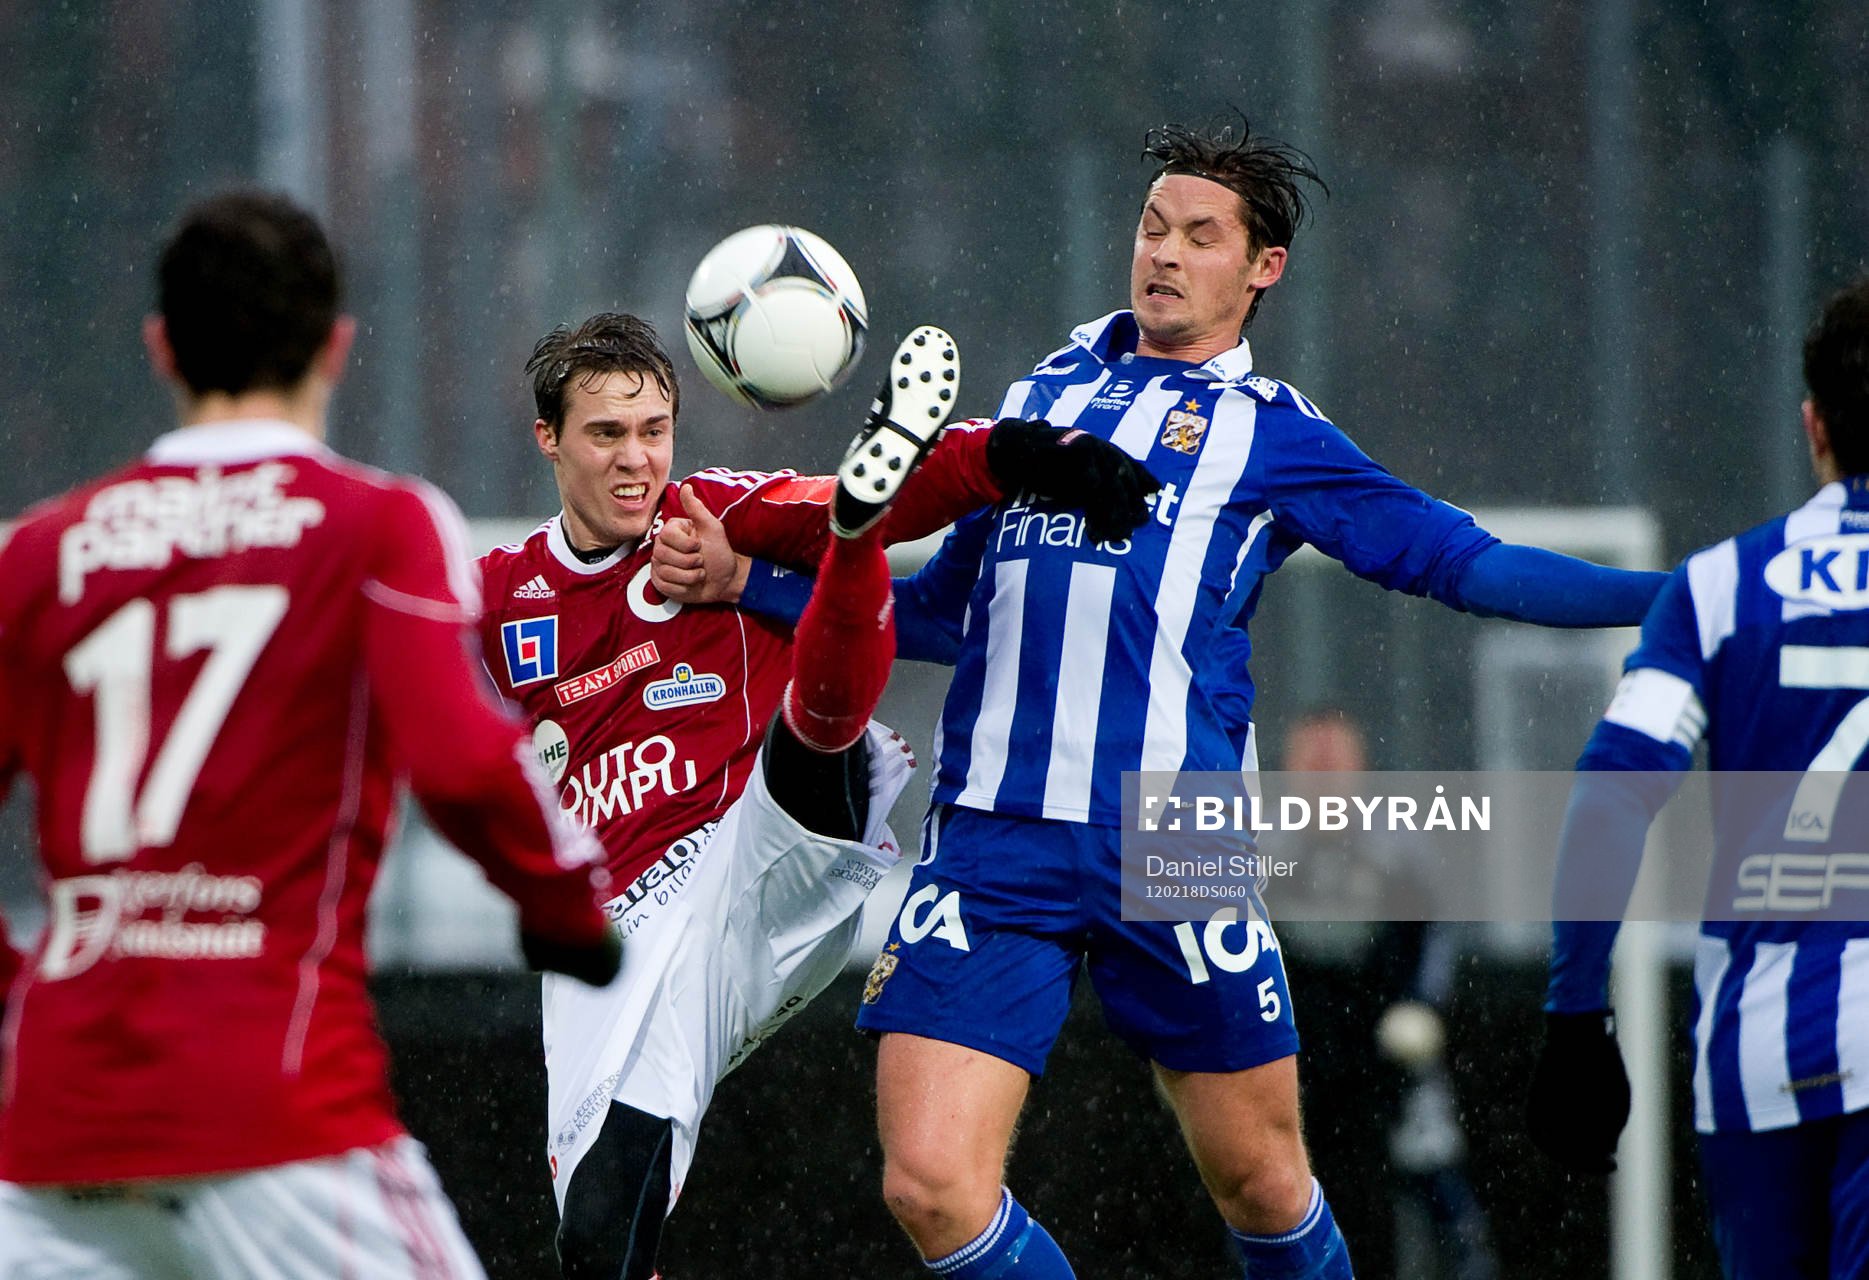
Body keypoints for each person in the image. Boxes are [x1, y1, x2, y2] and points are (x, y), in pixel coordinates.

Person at [667, 116, 1666, 1279]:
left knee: (1260, 1181)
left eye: (1201, 236)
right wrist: (755, 583)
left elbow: (1467, 562)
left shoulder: (1276, 437)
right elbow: (943, 613)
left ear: (1262, 267)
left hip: (1174, 838)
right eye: (1153, 227)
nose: (1165, 254)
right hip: (995, 834)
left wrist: (1677, 596)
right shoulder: (1039, 398)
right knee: (930, 1184)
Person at [0, 191, 620, 1279]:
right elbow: (467, 762)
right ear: (335, 345)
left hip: (55, 1126)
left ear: (162, 348)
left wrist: (21, 980)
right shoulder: (376, 523)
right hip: (275, 1116)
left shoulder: (43, 551)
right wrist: (565, 907)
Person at [480, 311, 1156, 1279]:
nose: (637, 459)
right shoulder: (499, 593)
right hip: (621, 933)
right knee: (595, 1234)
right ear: (549, 437)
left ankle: (849, 547)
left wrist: (1024, 453)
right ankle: (850, 548)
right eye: (606, 434)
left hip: (754, 840)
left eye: (654, 430)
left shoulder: (709, 512)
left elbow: (917, 486)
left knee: (828, 673)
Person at [1527, 276, 1869, 1279]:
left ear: (1814, 424)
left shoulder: (1721, 585)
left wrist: (1574, 1012)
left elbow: (1611, 796)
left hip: (1764, 1054)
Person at [1278, 709, 1497, 1280]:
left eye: (1337, 760)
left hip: (1383, 1057)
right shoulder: (1257, 854)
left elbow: (1432, 943)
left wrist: (1419, 1007)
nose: (1324, 776)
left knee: (1433, 1176)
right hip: (1292, 1055)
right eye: (1312, 760)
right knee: (1270, 1190)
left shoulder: (1400, 853)